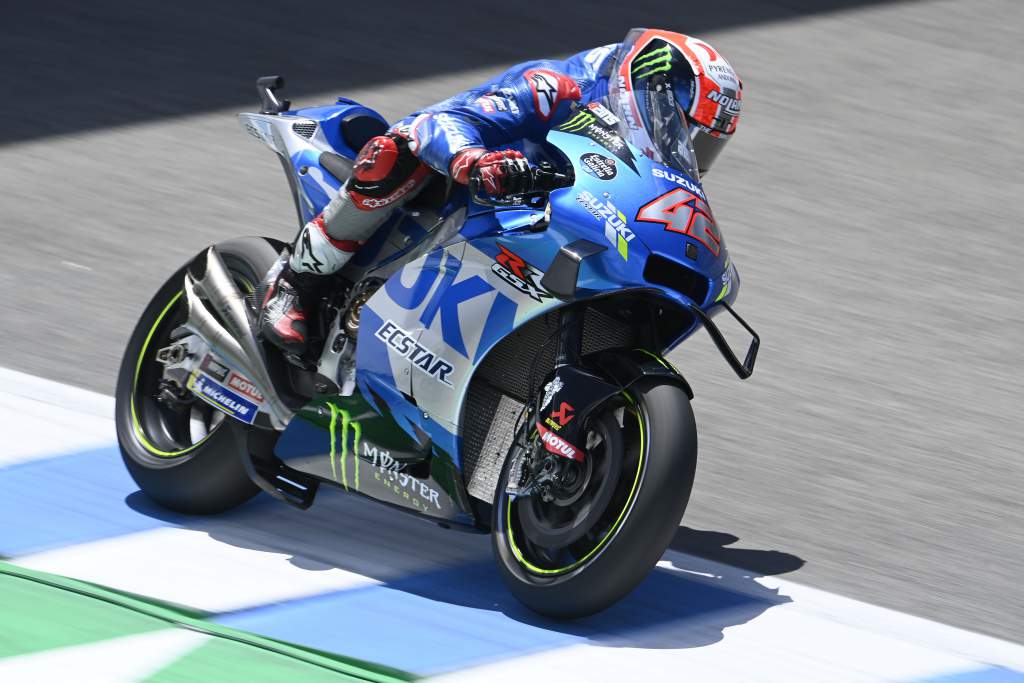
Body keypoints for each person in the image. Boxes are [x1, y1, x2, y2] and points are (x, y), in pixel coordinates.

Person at [259, 28, 743, 357]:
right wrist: (476, 160)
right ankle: (297, 284)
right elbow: (442, 121)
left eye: (706, 143)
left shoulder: (645, 152)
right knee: (397, 150)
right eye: (686, 130)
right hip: (469, 187)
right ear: (650, 88)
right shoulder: (558, 86)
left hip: (544, 217)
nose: (691, 149)